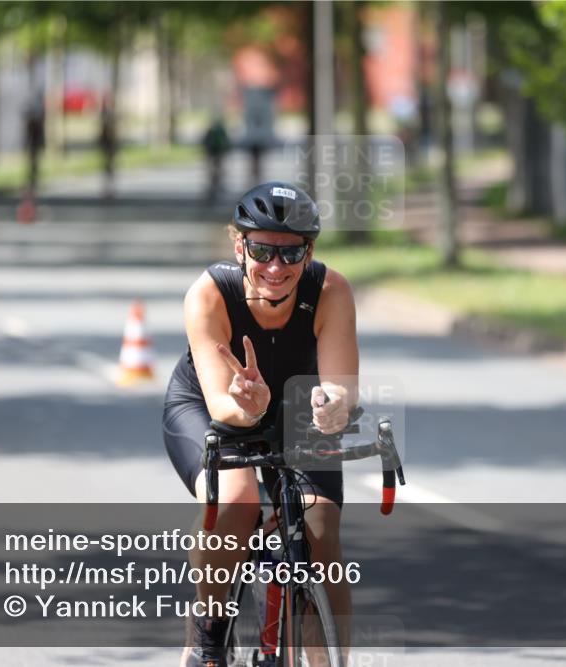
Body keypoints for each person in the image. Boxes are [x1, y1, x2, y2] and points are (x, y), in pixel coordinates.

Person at [164, 181, 357, 667]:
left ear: (309, 252)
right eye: (261, 250)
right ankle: (207, 637)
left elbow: (340, 385)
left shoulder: (331, 291)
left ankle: (328, 660)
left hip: (296, 407)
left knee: (320, 528)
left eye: (291, 254)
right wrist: (247, 405)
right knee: (238, 502)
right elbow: (222, 405)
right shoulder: (208, 294)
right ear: (239, 247)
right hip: (213, 405)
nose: (276, 267)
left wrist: (334, 403)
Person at [201, 117, 230, 203]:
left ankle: (215, 184)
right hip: (216, 152)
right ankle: (215, 184)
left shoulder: (212, 131)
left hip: (214, 152)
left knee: (214, 168)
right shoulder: (219, 131)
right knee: (216, 168)